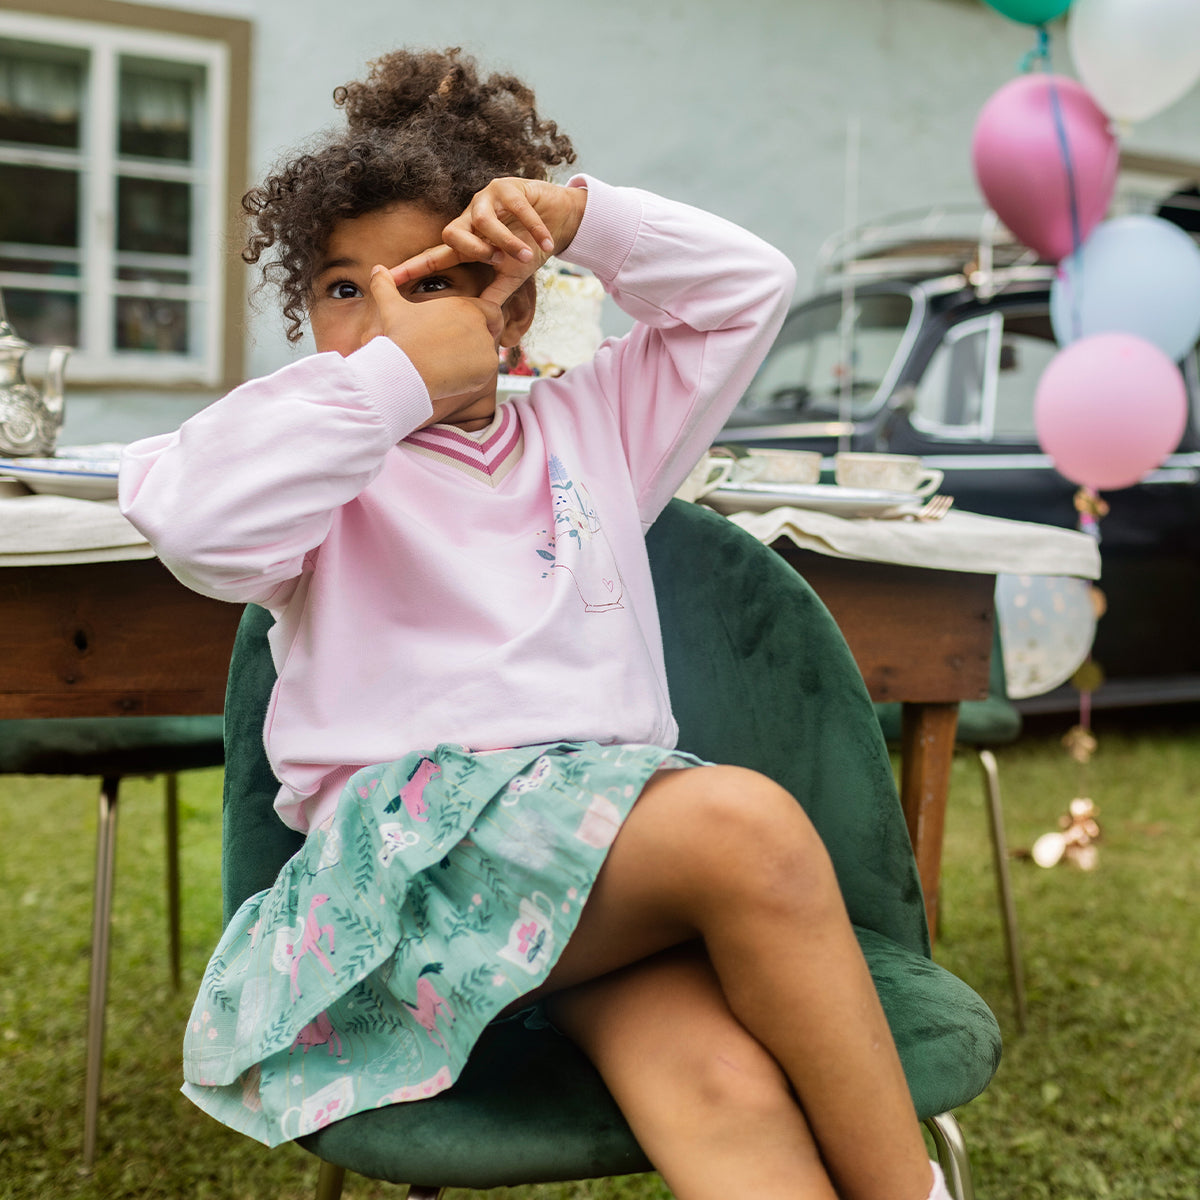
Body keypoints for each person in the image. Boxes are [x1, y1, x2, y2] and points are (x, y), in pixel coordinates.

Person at [119, 47, 952, 1200]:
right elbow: (194, 521)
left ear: (511, 303)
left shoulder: (594, 426)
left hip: (592, 886)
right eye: (343, 289)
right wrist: (393, 384)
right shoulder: (322, 457)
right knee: (748, 828)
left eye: (426, 282)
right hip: (409, 896)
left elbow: (749, 288)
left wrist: (581, 221)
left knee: (721, 1087)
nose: (380, 319)